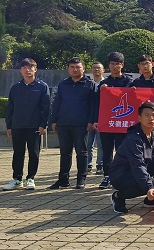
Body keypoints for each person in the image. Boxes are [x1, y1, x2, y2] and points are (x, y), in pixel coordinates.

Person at [49, 57, 99, 189]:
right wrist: (54, 120)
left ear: (83, 68)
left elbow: (94, 105)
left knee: (81, 152)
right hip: (63, 123)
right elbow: (57, 103)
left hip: (82, 124)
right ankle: (63, 180)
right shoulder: (63, 84)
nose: (75, 69)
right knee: (65, 152)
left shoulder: (90, 84)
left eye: (78, 67)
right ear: (68, 69)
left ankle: (81, 180)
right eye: (72, 67)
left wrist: (91, 121)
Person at [3, 58, 50, 191]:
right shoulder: (15, 88)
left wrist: (43, 124)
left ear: (35, 69)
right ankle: (17, 179)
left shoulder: (42, 86)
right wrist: (9, 126)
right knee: (18, 153)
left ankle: (31, 178)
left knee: (34, 153)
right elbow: (10, 108)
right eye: (24, 68)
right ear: (20, 70)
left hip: (34, 126)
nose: (27, 70)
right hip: (18, 125)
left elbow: (46, 107)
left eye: (30, 67)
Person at [97, 52, 133, 189]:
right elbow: (97, 104)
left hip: (123, 123)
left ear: (122, 65)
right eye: (112, 64)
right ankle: (107, 176)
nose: (114, 66)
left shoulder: (129, 82)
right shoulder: (104, 83)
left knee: (121, 151)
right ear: (108, 66)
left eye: (117, 64)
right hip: (107, 123)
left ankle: (121, 176)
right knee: (106, 151)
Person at [88, 62, 105, 174]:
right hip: (89, 117)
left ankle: (100, 164)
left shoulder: (107, 84)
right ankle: (88, 164)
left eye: (99, 68)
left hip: (102, 118)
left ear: (103, 70)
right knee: (88, 143)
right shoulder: (88, 84)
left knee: (101, 144)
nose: (96, 70)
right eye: (94, 68)